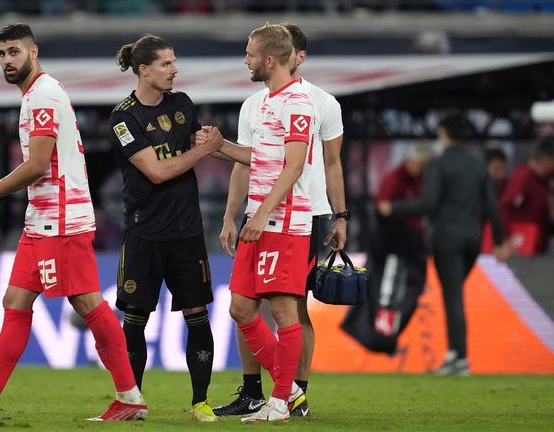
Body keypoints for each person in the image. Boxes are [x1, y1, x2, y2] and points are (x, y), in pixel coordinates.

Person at [0, 24, 148, 422]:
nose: (7, 60)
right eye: (1, 54)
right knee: (15, 301)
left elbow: (37, 165)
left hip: (62, 219)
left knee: (87, 303)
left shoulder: (45, 95)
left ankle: (130, 397)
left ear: (33, 51)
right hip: (42, 219)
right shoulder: (36, 95)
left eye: (14, 52)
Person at [213, 22, 346, 418]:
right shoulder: (263, 102)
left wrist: (339, 215)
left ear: (271, 59)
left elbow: (298, 166)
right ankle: (282, 392)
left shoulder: (305, 104)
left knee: (288, 310)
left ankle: (283, 396)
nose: (245, 61)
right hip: (259, 217)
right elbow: (257, 160)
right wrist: (217, 148)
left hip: (288, 220)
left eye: (250, 55)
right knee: (240, 307)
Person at [108, 34, 221, 422]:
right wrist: (202, 150)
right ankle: (132, 401)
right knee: (135, 318)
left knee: (197, 313)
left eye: (174, 62)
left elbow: (195, 143)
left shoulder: (182, 104)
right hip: (144, 231)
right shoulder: (124, 117)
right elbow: (156, 172)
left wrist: (207, 141)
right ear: (144, 70)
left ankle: (201, 402)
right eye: (166, 64)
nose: (174, 70)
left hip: (187, 230)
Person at [378, 112, 509, 376]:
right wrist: (499, 240)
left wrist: (394, 207)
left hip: (447, 239)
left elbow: (428, 204)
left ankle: (459, 359)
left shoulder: (439, 164)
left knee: (453, 296)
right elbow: (492, 205)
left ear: (444, 133)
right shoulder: (477, 165)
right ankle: (456, 355)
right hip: (473, 239)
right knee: (455, 293)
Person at [342, 144, 432, 354]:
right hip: (393, 244)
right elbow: (382, 207)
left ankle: (385, 336)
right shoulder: (395, 178)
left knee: (402, 291)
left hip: (410, 245)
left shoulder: (421, 180)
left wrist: (399, 210)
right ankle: (380, 337)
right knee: (387, 290)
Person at [499, 138, 554, 255]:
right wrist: (505, 238)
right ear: (546, 160)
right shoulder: (523, 177)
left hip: (541, 243)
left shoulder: (547, 180)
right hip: (521, 244)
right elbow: (506, 207)